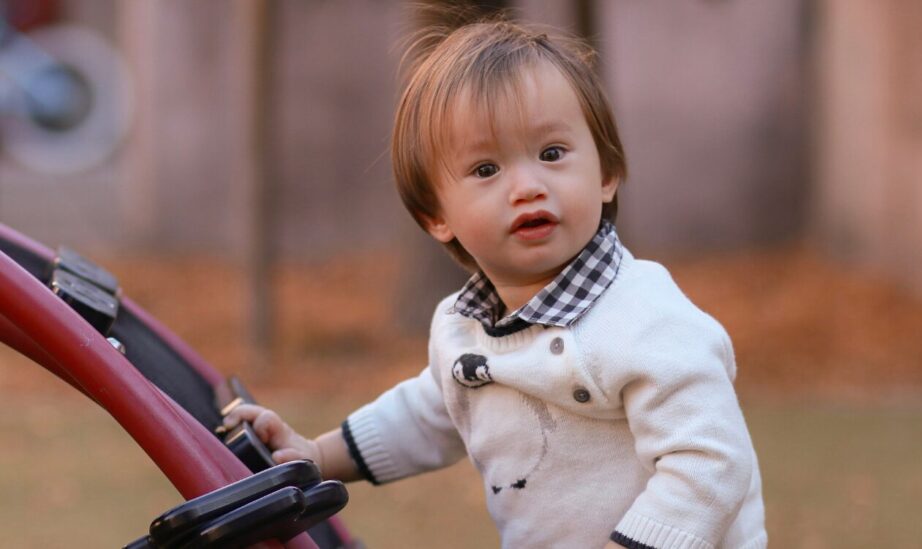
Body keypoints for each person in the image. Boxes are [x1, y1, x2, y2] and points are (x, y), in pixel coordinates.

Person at [225, 11, 766, 549]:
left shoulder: (642, 316)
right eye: (486, 170)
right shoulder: (463, 329)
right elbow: (429, 412)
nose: (528, 186)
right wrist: (319, 456)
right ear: (436, 217)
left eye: (551, 154)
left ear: (605, 174)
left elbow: (710, 460)